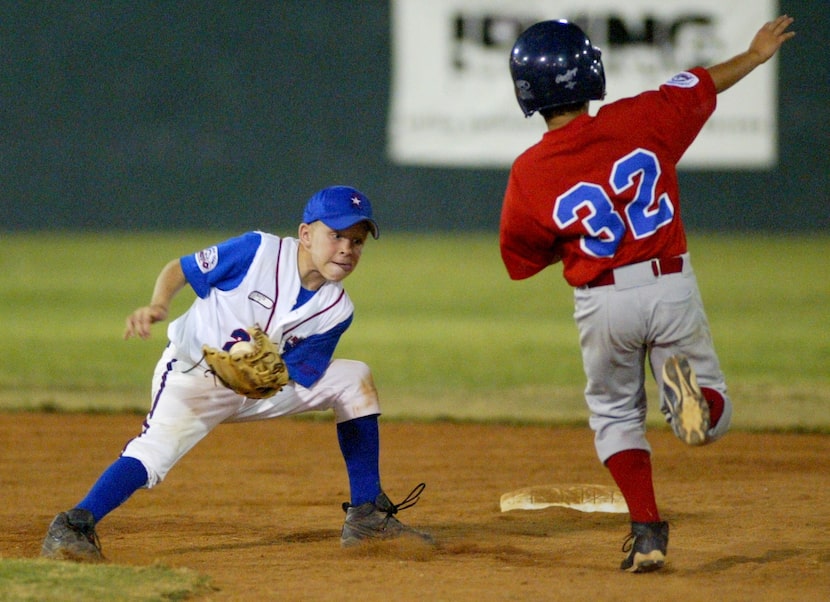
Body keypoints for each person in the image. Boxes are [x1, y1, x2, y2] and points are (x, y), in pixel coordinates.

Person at [500, 16, 795, 572]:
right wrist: (755, 55)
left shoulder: (530, 171)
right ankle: (696, 406)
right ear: (591, 70)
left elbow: (521, 259)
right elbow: (704, 81)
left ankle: (647, 530)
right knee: (706, 425)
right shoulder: (645, 116)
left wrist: (577, 239)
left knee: (614, 415)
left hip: (601, 299)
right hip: (669, 283)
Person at [41, 185, 433, 562]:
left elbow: (296, 373)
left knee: (353, 377)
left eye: (357, 241)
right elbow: (180, 268)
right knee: (154, 454)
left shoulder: (336, 310)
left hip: (258, 389)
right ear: (306, 234)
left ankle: (367, 516)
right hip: (193, 378)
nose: (346, 249)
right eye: (336, 235)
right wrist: (158, 305)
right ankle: (73, 525)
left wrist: (269, 380)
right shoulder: (258, 251)